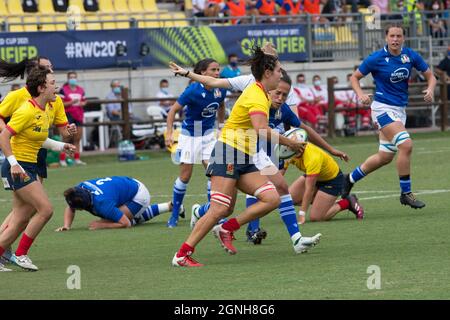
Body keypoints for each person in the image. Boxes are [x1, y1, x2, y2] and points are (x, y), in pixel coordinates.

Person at [171, 47, 321, 267]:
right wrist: (291, 142)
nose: (282, 74)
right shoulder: (257, 96)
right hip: (228, 152)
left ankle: (227, 228)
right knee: (220, 208)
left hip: (246, 155)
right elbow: (262, 129)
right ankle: (182, 255)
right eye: (279, 70)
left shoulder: (257, 87)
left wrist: (187, 73)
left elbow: (214, 83)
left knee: (272, 198)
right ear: (268, 73)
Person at [191, 71, 350, 245]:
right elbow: (214, 81)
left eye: (285, 95)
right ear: (269, 86)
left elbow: (305, 128)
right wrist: (188, 73)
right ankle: (209, 215)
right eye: (278, 93)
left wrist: (331, 149)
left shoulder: (283, 110)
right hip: (238, 150)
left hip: (260, 153)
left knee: (281, 186)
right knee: (226, 206)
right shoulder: (255, 95)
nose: (281, 98)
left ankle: (296, 239)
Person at [344, 24, 436, 209]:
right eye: (392, 36)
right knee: (406, 144)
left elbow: (430, 76)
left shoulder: (410, 55)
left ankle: (349, 179)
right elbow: (354, 77)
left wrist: (431, 89)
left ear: (403, 38)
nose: (395, 39)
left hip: (399, 111)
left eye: (399, 36)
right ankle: (406, 193)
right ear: (386, 38)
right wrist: (361, 94)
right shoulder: (376, 58)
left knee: (384, 156)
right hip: (382, 109)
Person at [0, 57, 76, 271]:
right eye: (53, 83)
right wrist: (14, 163)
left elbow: (38, 138)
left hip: (30, 164)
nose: (57, 87)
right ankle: (22, 254)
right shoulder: (26, 109)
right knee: (46, 209)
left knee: (21, 219)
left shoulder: (43, 109)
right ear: (41, 87)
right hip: (19, 166)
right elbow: (3, 136)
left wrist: (63, 146)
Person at [165, 58, 226, 228]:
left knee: (213, 174)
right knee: (185, 176)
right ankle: (175, 214)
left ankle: (214, 215)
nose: (217, 73)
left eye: (218, 69)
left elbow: (220, 106)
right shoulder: (192, 91)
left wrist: (220, 125)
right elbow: (173, 111)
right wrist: (169, 133)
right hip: (190, 135)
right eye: (213, 70)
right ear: (202, 73)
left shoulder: (220, 88)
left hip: (208, 135)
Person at [55, 176, 184, 231]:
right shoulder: (79, 188)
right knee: (111, 217)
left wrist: (102, 226)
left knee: (116, 220)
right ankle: (171, 206)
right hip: (127, 184)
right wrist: (67, 226)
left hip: (138, 194)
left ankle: (171, 207)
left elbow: (126, 224)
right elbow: (70, 207)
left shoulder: (102, 204)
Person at [283, 139, 364, 225]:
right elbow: (280, 173)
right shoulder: (289, 152)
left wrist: (302, 214)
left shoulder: (313, 158)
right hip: (314, 176)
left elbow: (309, 189)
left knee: (316, 217)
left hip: (332, 181)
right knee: (287, 200)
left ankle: (347, 202)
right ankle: (322, 202)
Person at [59, 71, 87, 166]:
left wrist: (82, 103)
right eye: (71, 77)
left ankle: (77, 159)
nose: (73, 79)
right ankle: (62, 159)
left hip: (79, 115)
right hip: (68, 115)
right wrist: (71, 102)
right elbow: (61, 103)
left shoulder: (81, 90)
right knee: (66, 137)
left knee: (77, 138)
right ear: (68, 79)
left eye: (74, 77)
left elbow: (84, 101)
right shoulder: (63, 90)